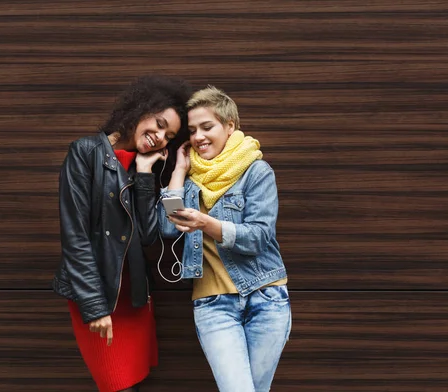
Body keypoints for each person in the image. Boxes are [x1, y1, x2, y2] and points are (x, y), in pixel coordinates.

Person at [52, 75, 191, 392]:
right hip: (100, 294)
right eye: (157, 124)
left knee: (135, 383)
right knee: (118, 385)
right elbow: (75, 237)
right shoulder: (85, 152)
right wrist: (95, 306)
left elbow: (150, 236)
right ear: (140, 110)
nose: (159, 137)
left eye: (168, 135)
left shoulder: (145, 167)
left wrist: (145, 175)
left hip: (135, 297)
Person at [158, 86, 291, 392]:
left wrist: (206, 223)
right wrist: (178, 171)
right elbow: (167, 228)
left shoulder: (256, 171)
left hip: (266, 298)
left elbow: (258, 237)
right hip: (214, 305)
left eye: (207, 127)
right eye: (192, 130)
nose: (198, 137)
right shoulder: (190, 182)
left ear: (230, 126)